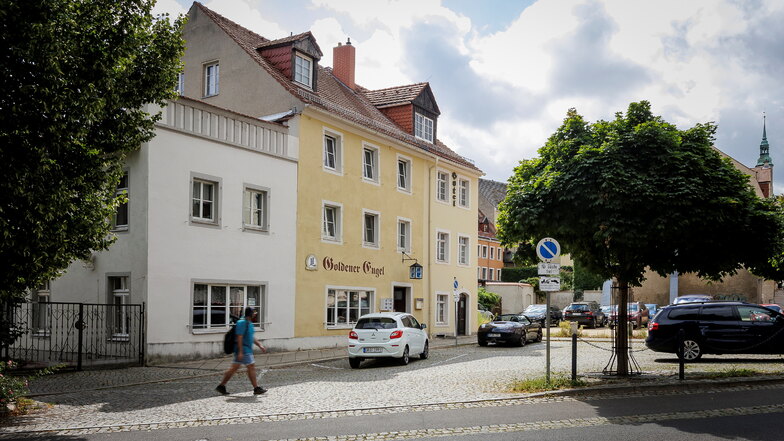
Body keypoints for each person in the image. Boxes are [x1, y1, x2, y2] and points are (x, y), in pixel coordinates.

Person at [216, 307, 268, 395]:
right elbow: (239, 337)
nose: (255, 314)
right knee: (251, 366)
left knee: (234, 368)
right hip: (243, 349)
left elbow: (251, 337)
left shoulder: (249, 323)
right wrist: (240, 351)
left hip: (246, 349)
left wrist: (260, 345)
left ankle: (221, 386)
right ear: (250, 314)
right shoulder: (242, 323)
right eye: (254, 313)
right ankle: (256, 388)